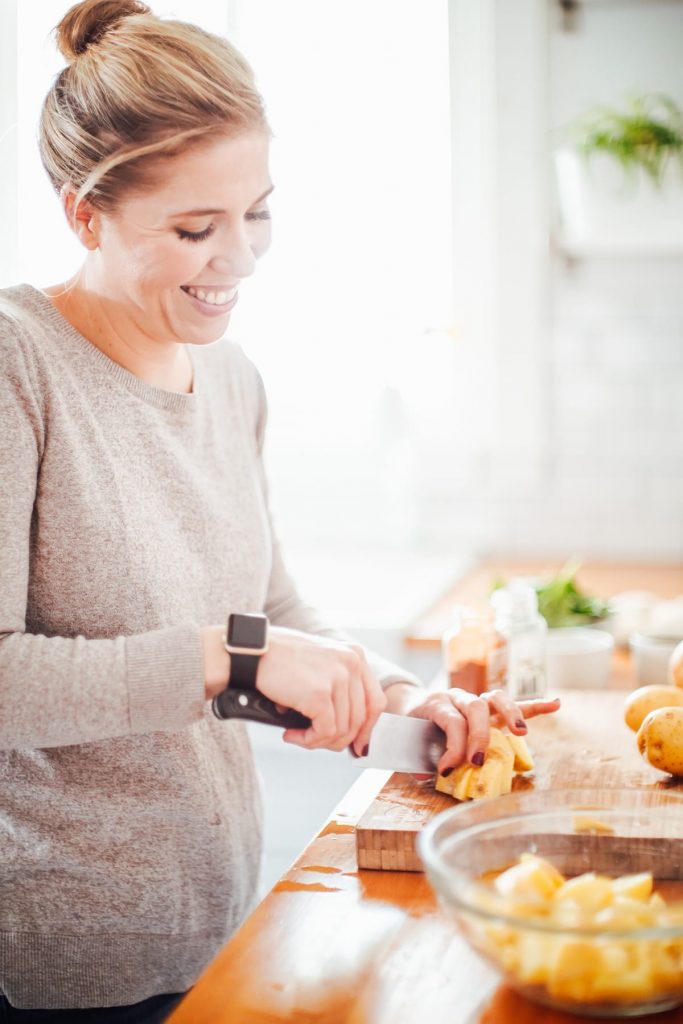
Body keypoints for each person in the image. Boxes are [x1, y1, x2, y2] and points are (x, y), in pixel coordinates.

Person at [0, 1, 560, 1019]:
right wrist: (232, 657)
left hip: (222, 927)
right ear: (85, 213)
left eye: (255, 212)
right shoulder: (16, 366)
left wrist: (396, 696)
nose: (242, 259)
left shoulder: (231, 379)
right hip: (58, 967)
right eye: (193, 229)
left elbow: (271, 603)